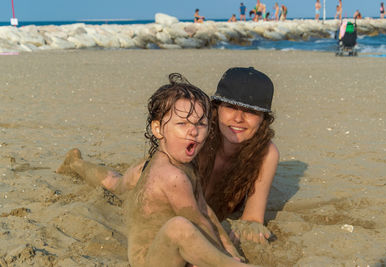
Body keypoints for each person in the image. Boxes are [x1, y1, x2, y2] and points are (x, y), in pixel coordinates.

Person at [57, 73, 260, 267]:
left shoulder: (183, 162)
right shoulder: (172, 176)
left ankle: (75, 163)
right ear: (157, 129)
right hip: (150, 259)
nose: (194, 131)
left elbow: (204, 209)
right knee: (179, 227)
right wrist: (222, 257)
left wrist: (230, 251)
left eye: (201, 123)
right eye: (182, 123)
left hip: (165, 243)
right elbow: (197, 221)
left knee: (116, 182)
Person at [197, 67, 279, 245]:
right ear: (217, 108)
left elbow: (252, 218)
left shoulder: (266, 153)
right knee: (128, 181)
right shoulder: (198, 141)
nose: (238, 118)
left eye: (250, 111)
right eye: (231, 107)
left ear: (263, 119)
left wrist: (251, 227)